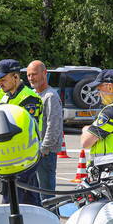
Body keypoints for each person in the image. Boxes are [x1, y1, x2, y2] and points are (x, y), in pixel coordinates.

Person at [0, 59, 43, 206]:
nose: (0, 83)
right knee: (31, 201)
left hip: (24, 157)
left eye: (3, 79)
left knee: (11, 203)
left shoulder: (29, 98)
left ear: (15, 77)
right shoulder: (6, 97)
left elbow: (24, 131)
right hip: (11, 157)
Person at [26, 60, 64, 196]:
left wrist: (44, 149)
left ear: (44, 73)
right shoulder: (33, 95)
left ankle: (53, 217)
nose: (31, 78)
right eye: (28, 75)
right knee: (35, 196)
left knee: (46, 196)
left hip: (45, 154)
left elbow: (54, 126)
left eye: (34, 74)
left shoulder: (50, 96)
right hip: (34, 153)